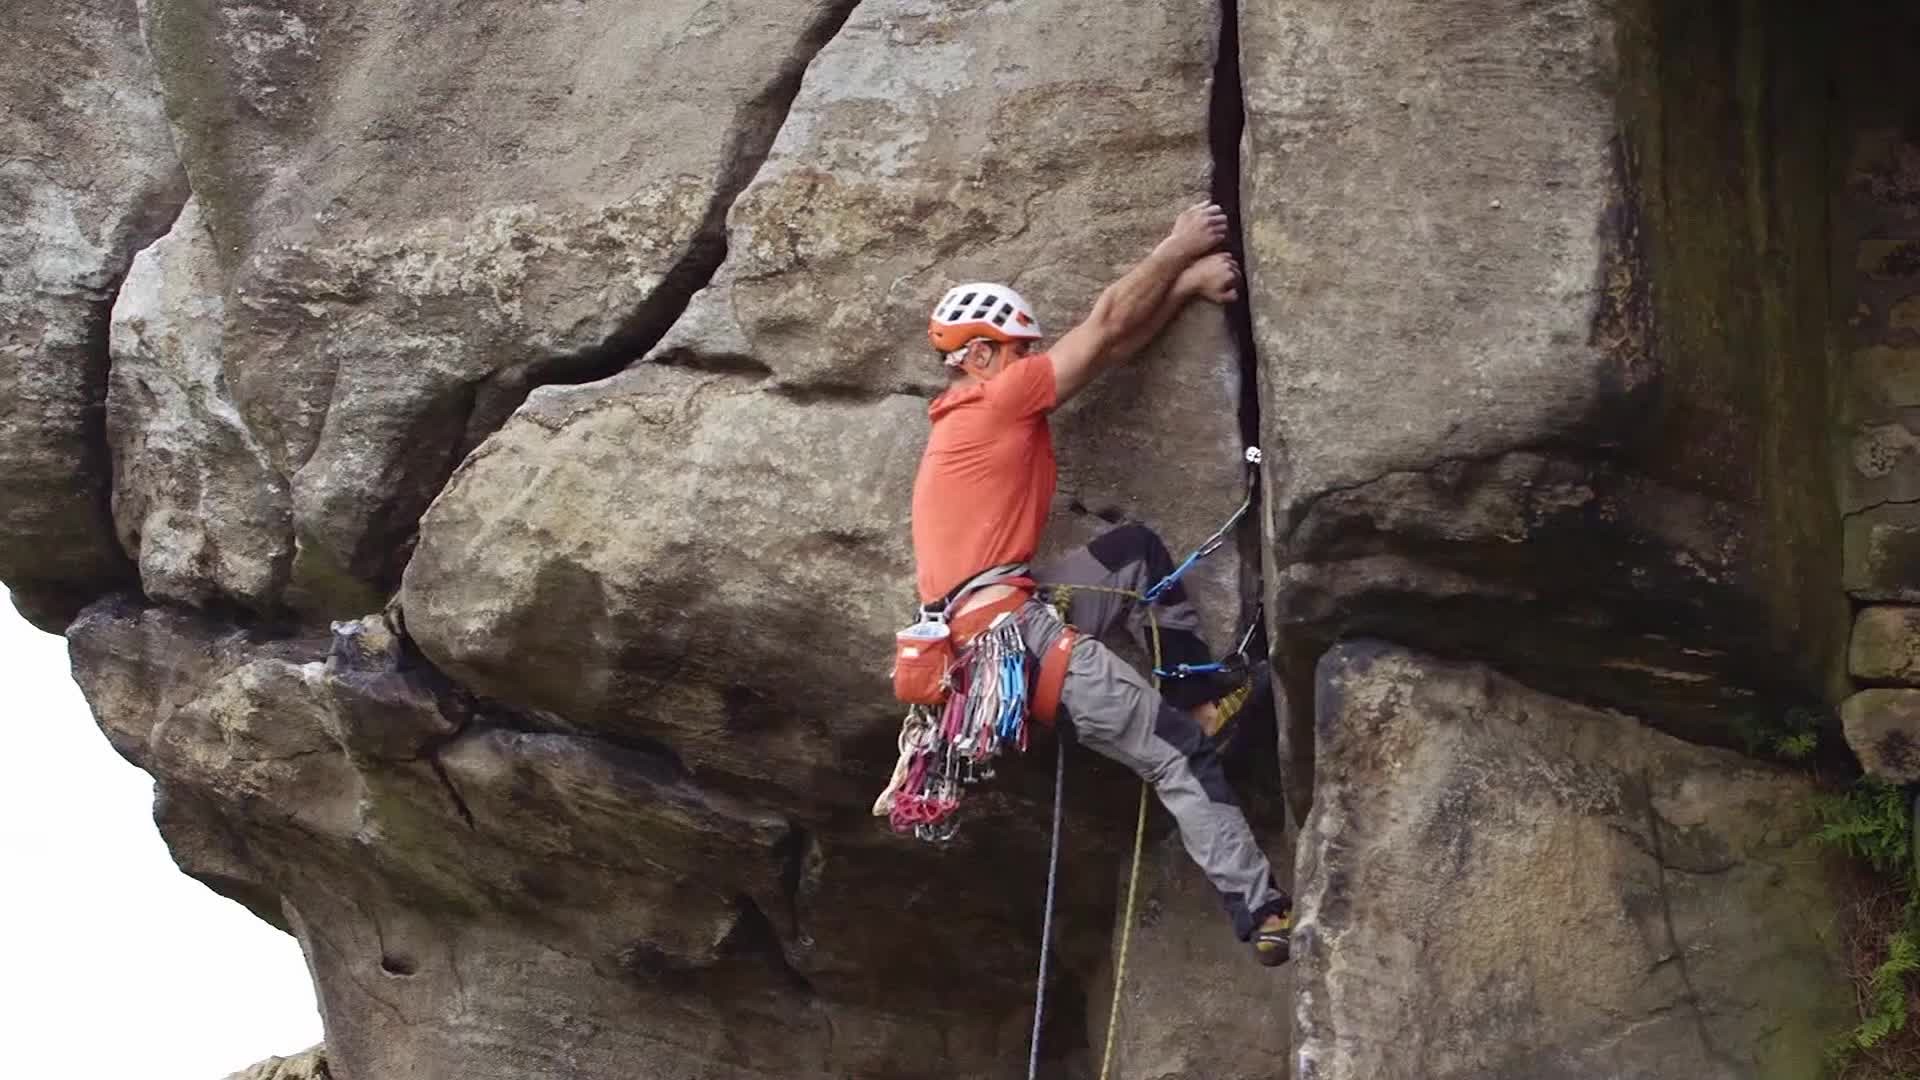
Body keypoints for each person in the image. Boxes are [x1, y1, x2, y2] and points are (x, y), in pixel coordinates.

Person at [909, 202, 1292, 966]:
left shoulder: (971, 417)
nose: (1033, 360)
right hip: (1016, 639)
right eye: (1019, 350)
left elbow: (1110, 348)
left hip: (1001, 614)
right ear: (981, 355)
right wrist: (1178, 246)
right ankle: (1262, 911)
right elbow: (1110, 319)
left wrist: (1182, 291)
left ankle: (1198, 693)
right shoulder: (996, 400)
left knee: (1133, 553)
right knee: (1178, 757)